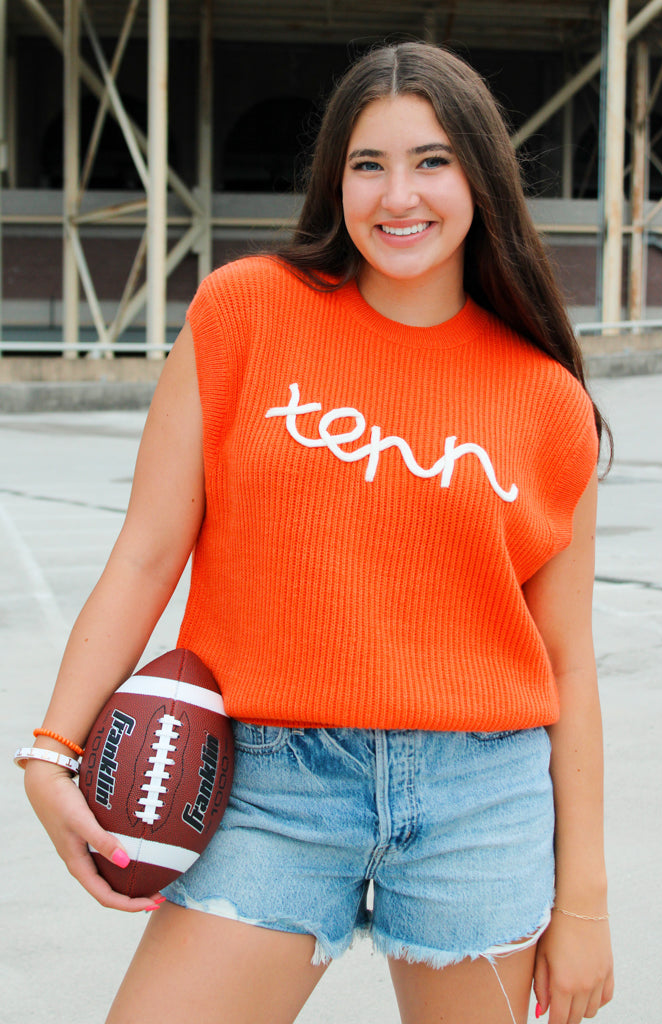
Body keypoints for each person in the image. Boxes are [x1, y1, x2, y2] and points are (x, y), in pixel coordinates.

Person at [20, 42, 613, 1024]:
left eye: (430, 160)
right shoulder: (245, 312)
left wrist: (583, 901)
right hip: (268, 782)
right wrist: (52, 748)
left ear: (479, 178)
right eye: (365, 164)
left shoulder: (546, 400)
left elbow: (570, 664)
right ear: (333, 180)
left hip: (479, 802)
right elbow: (146, 549)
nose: (397, 195)